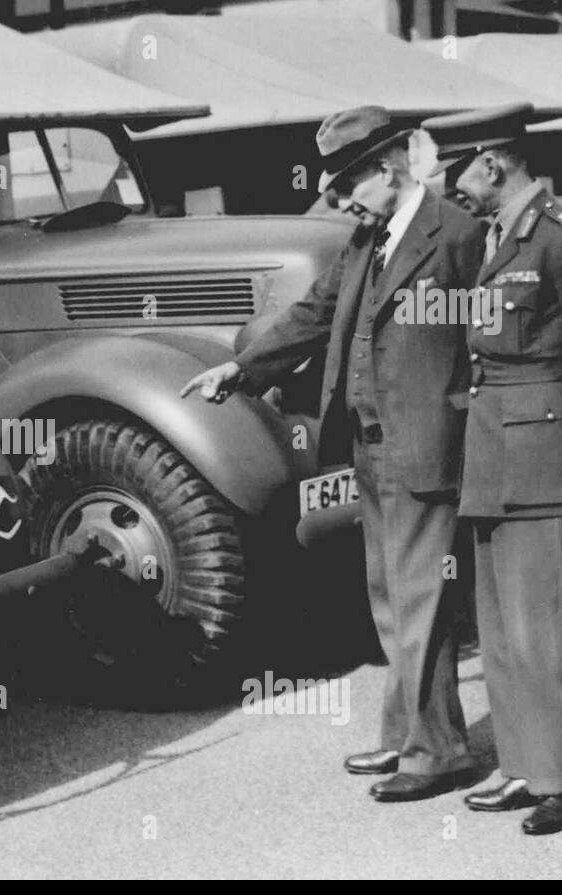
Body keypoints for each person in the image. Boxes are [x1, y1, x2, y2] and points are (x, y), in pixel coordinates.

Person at [181, 105, 484, 802]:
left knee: (423, 601)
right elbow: (314, 315)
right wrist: (243, 368)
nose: (341, 197)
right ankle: (406, 733)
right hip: (371, 446)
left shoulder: (458, 234)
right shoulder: (363, 240)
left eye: (349, 180)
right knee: (388, 598)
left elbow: (493, 333)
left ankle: (438, 752)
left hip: (427, 445)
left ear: (387, 169)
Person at [422, 103, 562, 834]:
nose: (451, 183)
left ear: (491, 162)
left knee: (540, 625)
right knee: (502, 624)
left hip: (540, 453)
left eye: (457, 167)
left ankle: (561, 780)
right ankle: (522, 766)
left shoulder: (560, 237)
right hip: (492, 448)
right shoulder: (496, 235)